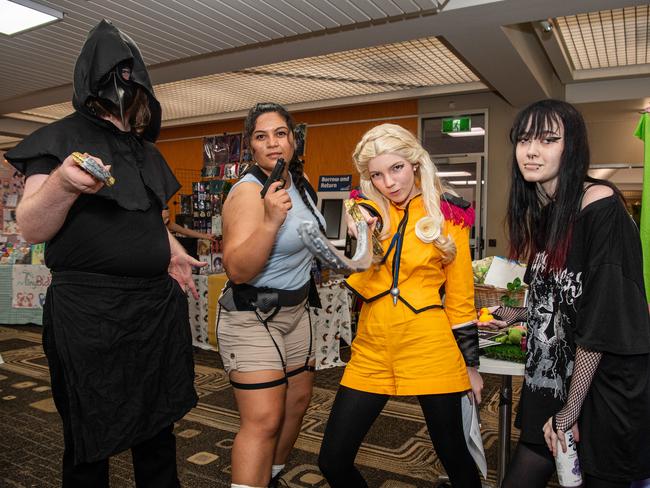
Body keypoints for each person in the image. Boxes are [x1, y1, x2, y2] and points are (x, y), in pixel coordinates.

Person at [5, 20, 200, 487]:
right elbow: (31, 226)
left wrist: (169, 249)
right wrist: (64, 183)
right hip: (90, 312)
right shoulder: (58, 140)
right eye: (114, 73)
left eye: (131, 74)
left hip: (152, 309)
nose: (123, 84)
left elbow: (147, 216)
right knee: (90, 434)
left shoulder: (145, 152)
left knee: (157, 432)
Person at [480, 99, 650, 488]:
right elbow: (564, 301)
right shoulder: (550, 214)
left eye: (548, 139)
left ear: (571, 147)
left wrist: (571, 411)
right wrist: (519, 315)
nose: (532, 150)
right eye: (524, 139)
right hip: (555, 379)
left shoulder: (601, 207)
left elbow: (602, 320)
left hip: (603, 388)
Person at [318, 123, 484, 488]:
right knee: (332, 460)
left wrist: (470, 365)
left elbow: (460, 298)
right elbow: (354, 269)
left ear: (415, 164)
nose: (389, 182)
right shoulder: (362, 211)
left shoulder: (449, 214)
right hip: (372, 347)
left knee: (455, 456)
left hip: (429, 345)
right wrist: (358, 233)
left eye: (396, 168)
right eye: (377, 174)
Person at [218, 102, 325, 488]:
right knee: (263, 419)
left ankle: (273, 478)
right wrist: (269, 221)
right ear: (251, 146)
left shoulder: (300, 180)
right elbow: (239, 270)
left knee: (296, 406)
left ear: (293, 139)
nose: (273, 143)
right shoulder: (247, 194)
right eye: (262, 137)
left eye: (280, 133)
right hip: (252, 315)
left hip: (298, 312)